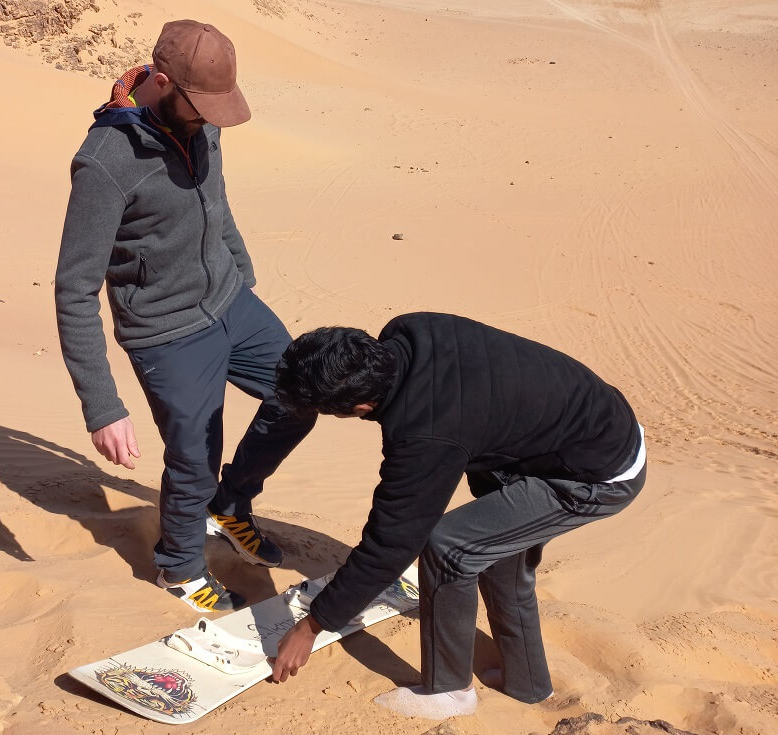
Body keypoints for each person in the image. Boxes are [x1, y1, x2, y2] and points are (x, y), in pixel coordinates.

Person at [55, 20, 315, 613]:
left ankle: (232, 504)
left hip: (231, 302)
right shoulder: (105, 162)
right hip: (167, 333)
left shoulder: (199, 120)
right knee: (192, 461)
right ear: (164, 83)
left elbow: (215, 204)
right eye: (202, 109)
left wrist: (241, 274)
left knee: (305, 391)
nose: (211, 122)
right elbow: (74, 289)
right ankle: (178, 567)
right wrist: (101, 405)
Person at [269, 313, 646, 720]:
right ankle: (527, 684)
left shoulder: (424, 434)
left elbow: (391, 544)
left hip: (596, 474)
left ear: (359, 406)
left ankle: (449, 692)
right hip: (591, 427)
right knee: (496, 555)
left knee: (450, 546)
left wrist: (312, 626)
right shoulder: (413, 331)